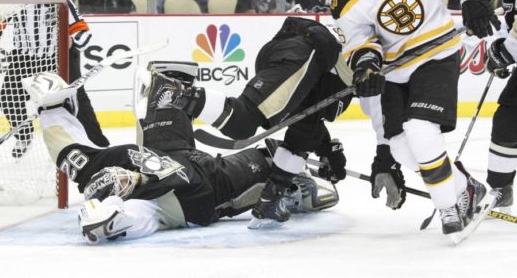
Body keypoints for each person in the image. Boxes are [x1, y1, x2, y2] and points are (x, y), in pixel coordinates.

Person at [322, 0, 496, 236]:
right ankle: (465, 189)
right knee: (401, 145)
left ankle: (449, 207)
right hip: (397, 70)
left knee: (420, 128)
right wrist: (366, 66)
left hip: (436, 54)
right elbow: (362, 44)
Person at [21, 67, 338, 243]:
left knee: (165, 89)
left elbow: (66, 147)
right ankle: (297, 190)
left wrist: (51, 106)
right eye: (119, 184)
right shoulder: (147, 200)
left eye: (116, 180)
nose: (118, 179)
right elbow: (135, 211)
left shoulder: (95, 166)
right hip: (206, 188)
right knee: (268, 166)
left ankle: (294, 185)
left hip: (173, 155)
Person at [143, 16, 352, 227]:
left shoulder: (345, 60)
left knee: (249, 121)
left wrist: (326, 150)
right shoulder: (358, 68)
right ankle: (176, 91)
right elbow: (310, 126)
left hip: (285, 48)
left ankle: (271, 201)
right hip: (304, 53)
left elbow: (307, 120)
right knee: (242, 124)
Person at [0, 0, 110, 158]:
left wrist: (72, 40)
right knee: (7, 99)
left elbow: (82, 30)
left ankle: (99, 144)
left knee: (77, 100)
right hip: (25, 58)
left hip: (57, 58)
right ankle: (24, 135)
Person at [483, 0, 517, 212]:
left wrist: (504, 52)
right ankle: (500, 188)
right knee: (508, 117)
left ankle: (500, 188)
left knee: (508, 117)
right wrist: (501, 44)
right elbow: (511, 17)